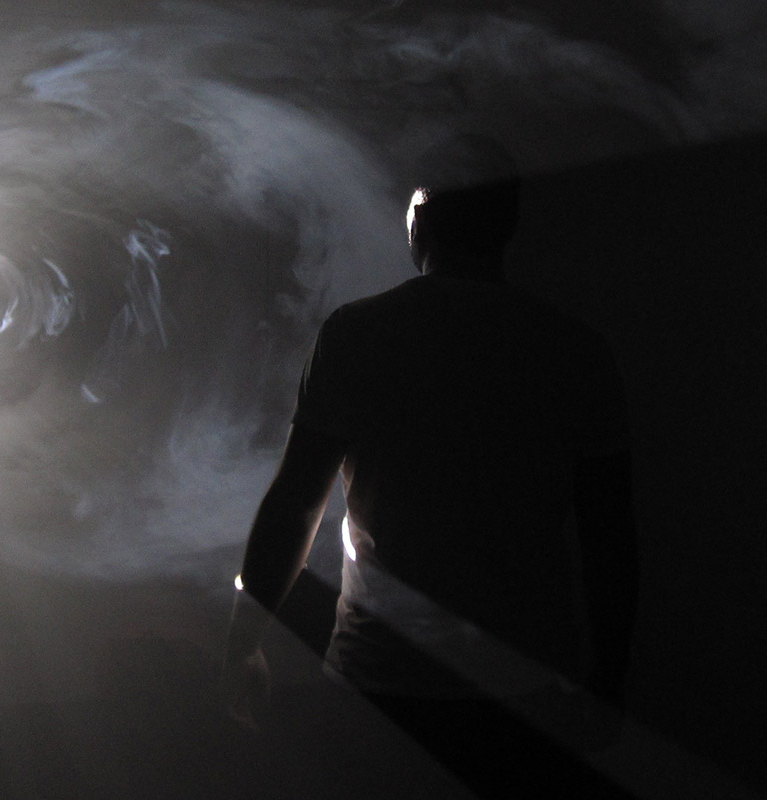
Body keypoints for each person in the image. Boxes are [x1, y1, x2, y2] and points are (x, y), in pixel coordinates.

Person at [221, 137, 639, 797]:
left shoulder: (358, 334)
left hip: (378, 677)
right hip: (525, 687)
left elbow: (296, 502)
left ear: (417, 224)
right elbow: (609, 533)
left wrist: (244, 637)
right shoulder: (575, 349)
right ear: (509, 226)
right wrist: (608, 677)